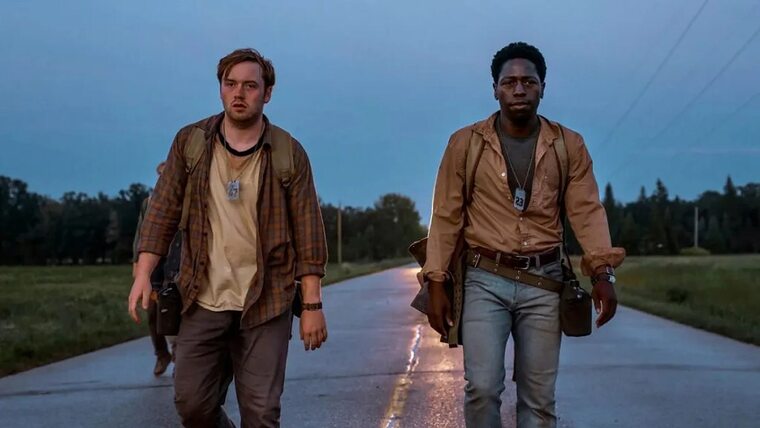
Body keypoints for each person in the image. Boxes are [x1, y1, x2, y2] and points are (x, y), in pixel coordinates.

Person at [422, 42, 625, 427]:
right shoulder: (466, 143)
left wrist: (603, 273)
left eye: (528, 82)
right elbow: (446, 215)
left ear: (543, 88)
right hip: (484, 278)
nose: (519, 89)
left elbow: (586, 210)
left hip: (544, 281)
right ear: (495, 89)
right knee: (482, 388)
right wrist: (435, 281)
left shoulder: (568, 145)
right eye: (509, 82)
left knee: (539, 400)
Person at [128, 48, 328, 428]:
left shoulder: (287, 153)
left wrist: (312, 305)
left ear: (267, 93)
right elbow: (162, 212)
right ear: (220, 88)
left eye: (250, 86)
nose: (239, 93)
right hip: (202, 296)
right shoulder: (191, 143)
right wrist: (143, 272)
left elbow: (308, 233)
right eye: (230, 83)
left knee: (262, 413)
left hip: (267, 300)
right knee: (192, 405)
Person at [131, 161, 175, 376]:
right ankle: (161, 353)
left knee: (177, 309)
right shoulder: (149, 203)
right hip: (154, 264)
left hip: (177, 262)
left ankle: (180, 356)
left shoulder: (185, 201)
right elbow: (141, 234)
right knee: (152, 312)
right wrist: (137, 265)